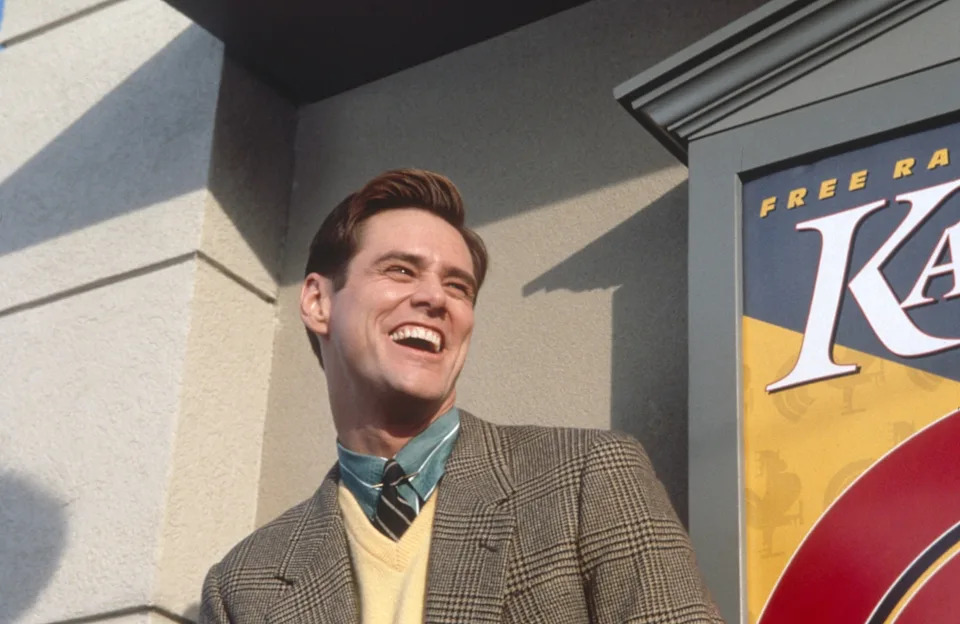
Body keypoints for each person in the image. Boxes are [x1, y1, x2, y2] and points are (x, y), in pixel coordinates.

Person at [200, 169, 722, 623]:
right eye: (400, 270)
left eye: (458, 286)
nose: (433, 297)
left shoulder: (588, 478)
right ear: (318, 301)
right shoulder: (244, 583)